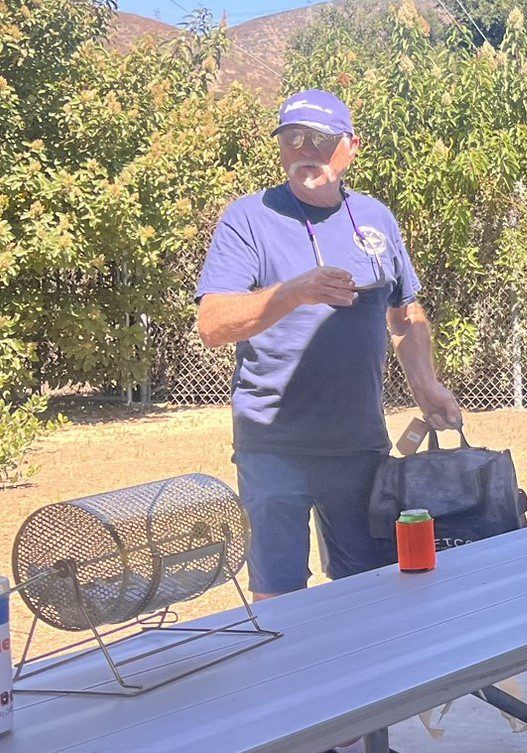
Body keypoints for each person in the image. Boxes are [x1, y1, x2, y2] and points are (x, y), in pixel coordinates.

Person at [196, 89, 462, 602]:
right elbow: (212, 324)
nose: (305, 150)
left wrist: (426, 385)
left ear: (351, 147)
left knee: (373, 592)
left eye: (319, 139)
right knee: (279, 602)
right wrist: (293, 293)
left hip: (358, 445)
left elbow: (405, 315)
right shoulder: (249, 219)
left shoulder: (376, 219)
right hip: (273, 447)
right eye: (292, 139)